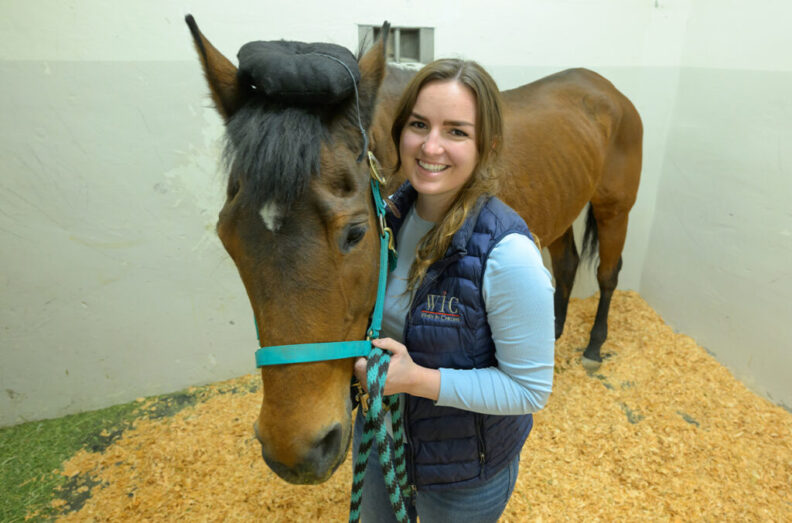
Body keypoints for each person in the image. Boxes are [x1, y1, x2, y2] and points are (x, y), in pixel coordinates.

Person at [353, 58, 555, 523]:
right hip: (382, 435)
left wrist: (415, 380)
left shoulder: (508, 256)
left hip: (465, 474)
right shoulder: (382, 223)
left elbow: (529, 390)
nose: (431, 146)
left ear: (488, 146)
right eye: (419, 124)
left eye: (457, 132)